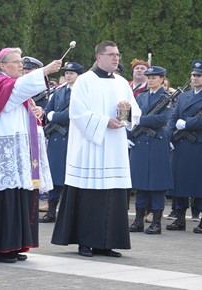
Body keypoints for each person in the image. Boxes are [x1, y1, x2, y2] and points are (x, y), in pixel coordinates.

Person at [51, 40, 141, 258]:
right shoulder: (85, 81)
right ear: (99, 57)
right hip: (90, 147)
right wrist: (103, 122)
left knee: (112, 195)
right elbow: (78, 113)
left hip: (114, 149)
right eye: (111, 54)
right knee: (88, 195)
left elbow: (134, 113)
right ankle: (85, 241)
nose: (116, 58)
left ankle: (106, 243)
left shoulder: (121, 83)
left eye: (118, 54)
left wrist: (125, 113)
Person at [0, 47, 61, 263]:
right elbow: (19, 89)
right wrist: (45, 70)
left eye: (22, 62)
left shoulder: (16, 87)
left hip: (20, 154)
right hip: (7, 154)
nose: (21, 65)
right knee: (6, 198)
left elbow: (23, 100)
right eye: (17, 62)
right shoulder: (1, 83)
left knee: (19, 197)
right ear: (3, 66)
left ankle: (15, 245)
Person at [166, 60, 202, 234]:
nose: (194, 78)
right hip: (182, 143)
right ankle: (180, 217)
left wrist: (187, 123)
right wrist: (170, 136)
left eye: (198, 75)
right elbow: (173, 117)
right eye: (193, 75)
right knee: (179, 181)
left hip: (199, 143)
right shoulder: (183, 96)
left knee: (201, 183)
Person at [128, 66, 173, 234]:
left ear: (162, 79)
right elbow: (131, 117)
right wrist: (130, 134)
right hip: (140, 142)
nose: (151, 80)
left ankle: (156, 222)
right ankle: (138, 220)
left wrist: (140, 120)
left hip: (157, 142)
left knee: (157, 184)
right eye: (149, 77)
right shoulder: (141, 97)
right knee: (140, 184)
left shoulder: (167, 97)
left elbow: (162, 119)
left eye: (155, 77)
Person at [39, 62, 84, 223]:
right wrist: (49, 116)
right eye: (66, 73)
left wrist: (53, 117)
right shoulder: (58, 91)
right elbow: (47, 110)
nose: (68, 75)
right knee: (54, 176)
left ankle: (68, 214)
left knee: (68, 177)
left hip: (71, 137)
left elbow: (72, 113)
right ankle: (51, 211)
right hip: (56, 138)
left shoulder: (81, 92)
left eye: (72, 73)